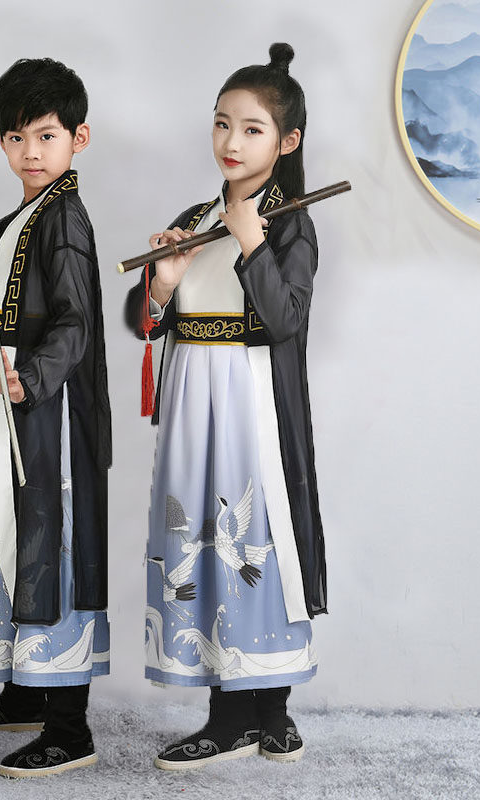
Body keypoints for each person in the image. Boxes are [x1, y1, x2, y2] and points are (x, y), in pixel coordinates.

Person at [124, 42, 327, 771]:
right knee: (199, 542)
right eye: (221, 124)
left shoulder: (290, 221)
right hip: (190, 399)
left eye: (251, 128)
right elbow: (146, 323)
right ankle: (238, 713)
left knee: (255, 541)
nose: (231, 141)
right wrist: (162, 280)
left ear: (287, 142)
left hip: (250, 403)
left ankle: (263, 709)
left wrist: (251, 247)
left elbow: (286, 320)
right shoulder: (194, 215)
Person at [0, 57, 111, 778]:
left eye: (46, 135)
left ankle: (69, 726)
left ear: (78, 138)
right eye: (16, 138)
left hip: (42, 413)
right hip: (1, 399)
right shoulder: (25, 216)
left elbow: (76, 323)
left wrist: (30, 380)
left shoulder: (64, 221)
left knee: (45, 544)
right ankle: (24, 693)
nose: (30, 152)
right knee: (7, 538)